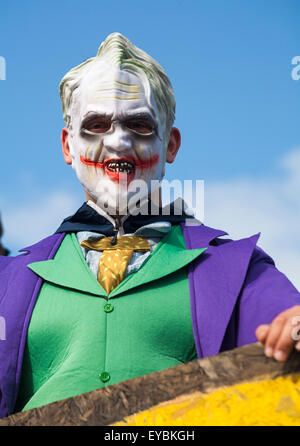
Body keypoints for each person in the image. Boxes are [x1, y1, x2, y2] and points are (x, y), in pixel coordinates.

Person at [0, 33, 299, 418]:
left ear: (170, 145)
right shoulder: (8, 279)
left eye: (139, 125)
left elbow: (285, 319)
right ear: (67, 146)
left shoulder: (236, 268)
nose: (118, 141)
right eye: (96, 124)